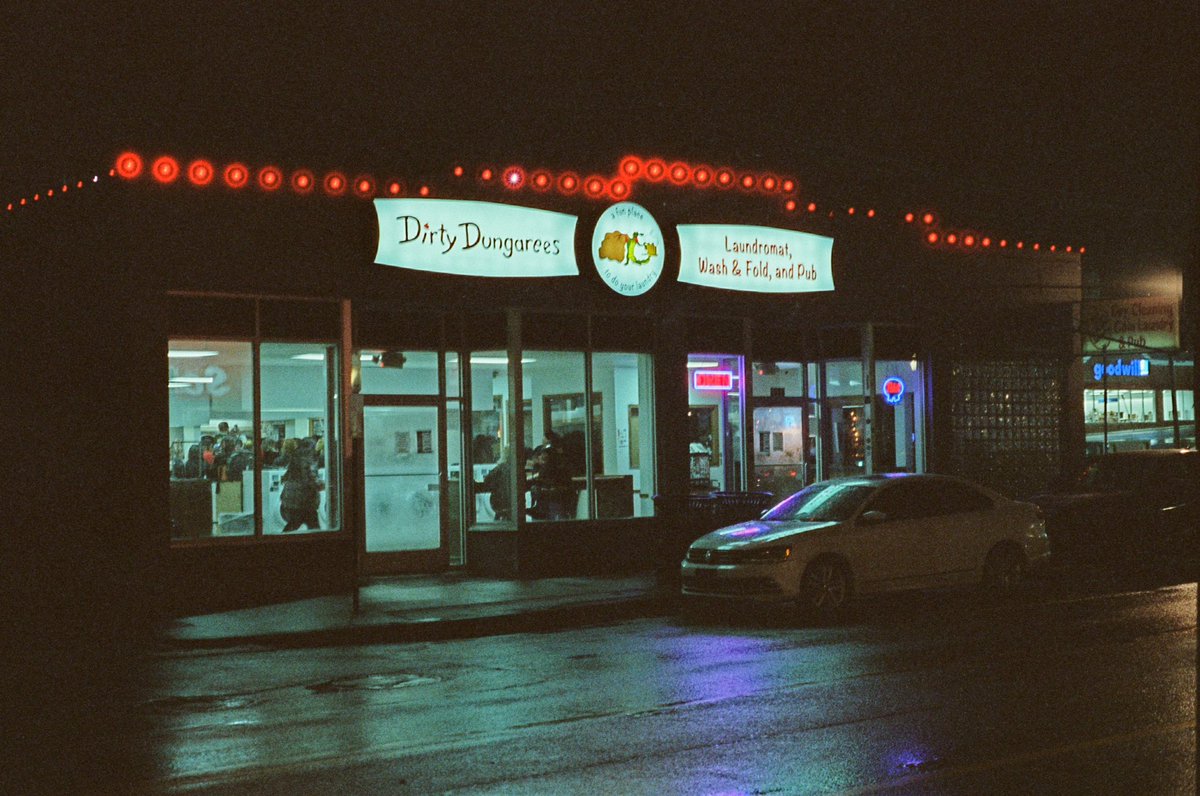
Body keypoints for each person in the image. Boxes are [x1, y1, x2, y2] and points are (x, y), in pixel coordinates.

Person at [280, 457, 322, 532]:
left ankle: (280, 540)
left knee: (294, 524)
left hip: (290, 504)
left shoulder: (294, 467)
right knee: (313, 526)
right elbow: (313, 483)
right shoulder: (308, 465)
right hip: (303, 504)